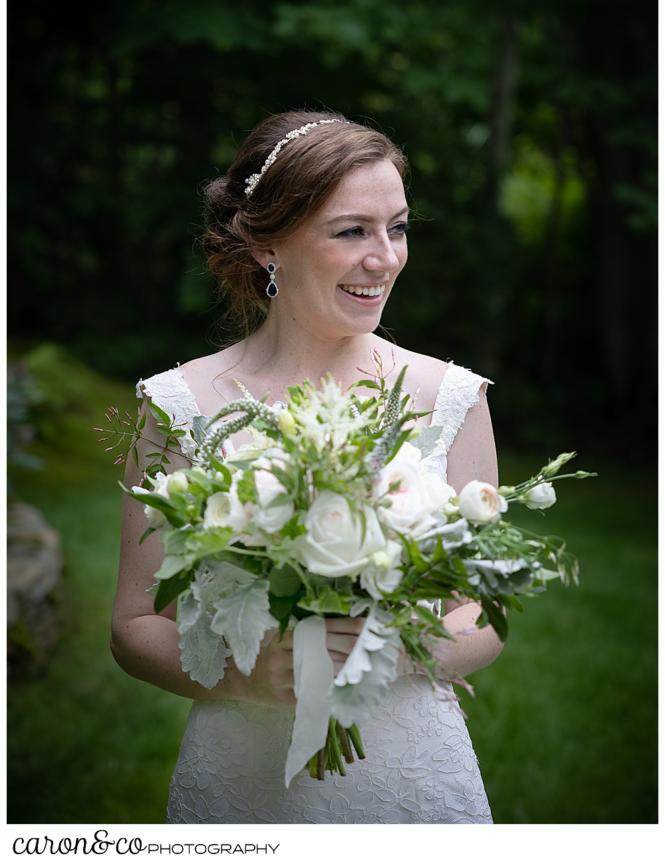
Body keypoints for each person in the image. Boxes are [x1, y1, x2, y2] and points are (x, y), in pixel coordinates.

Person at [110, 110, 504, 824]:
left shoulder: (451, 399)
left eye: (398, 226)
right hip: (243, 776)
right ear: (268, 245)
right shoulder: (179, 406)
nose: (384, 257)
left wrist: (393, 652)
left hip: (410, 775)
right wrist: (244, 676)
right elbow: (135, 623)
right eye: (351, 231)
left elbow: (483, 613)